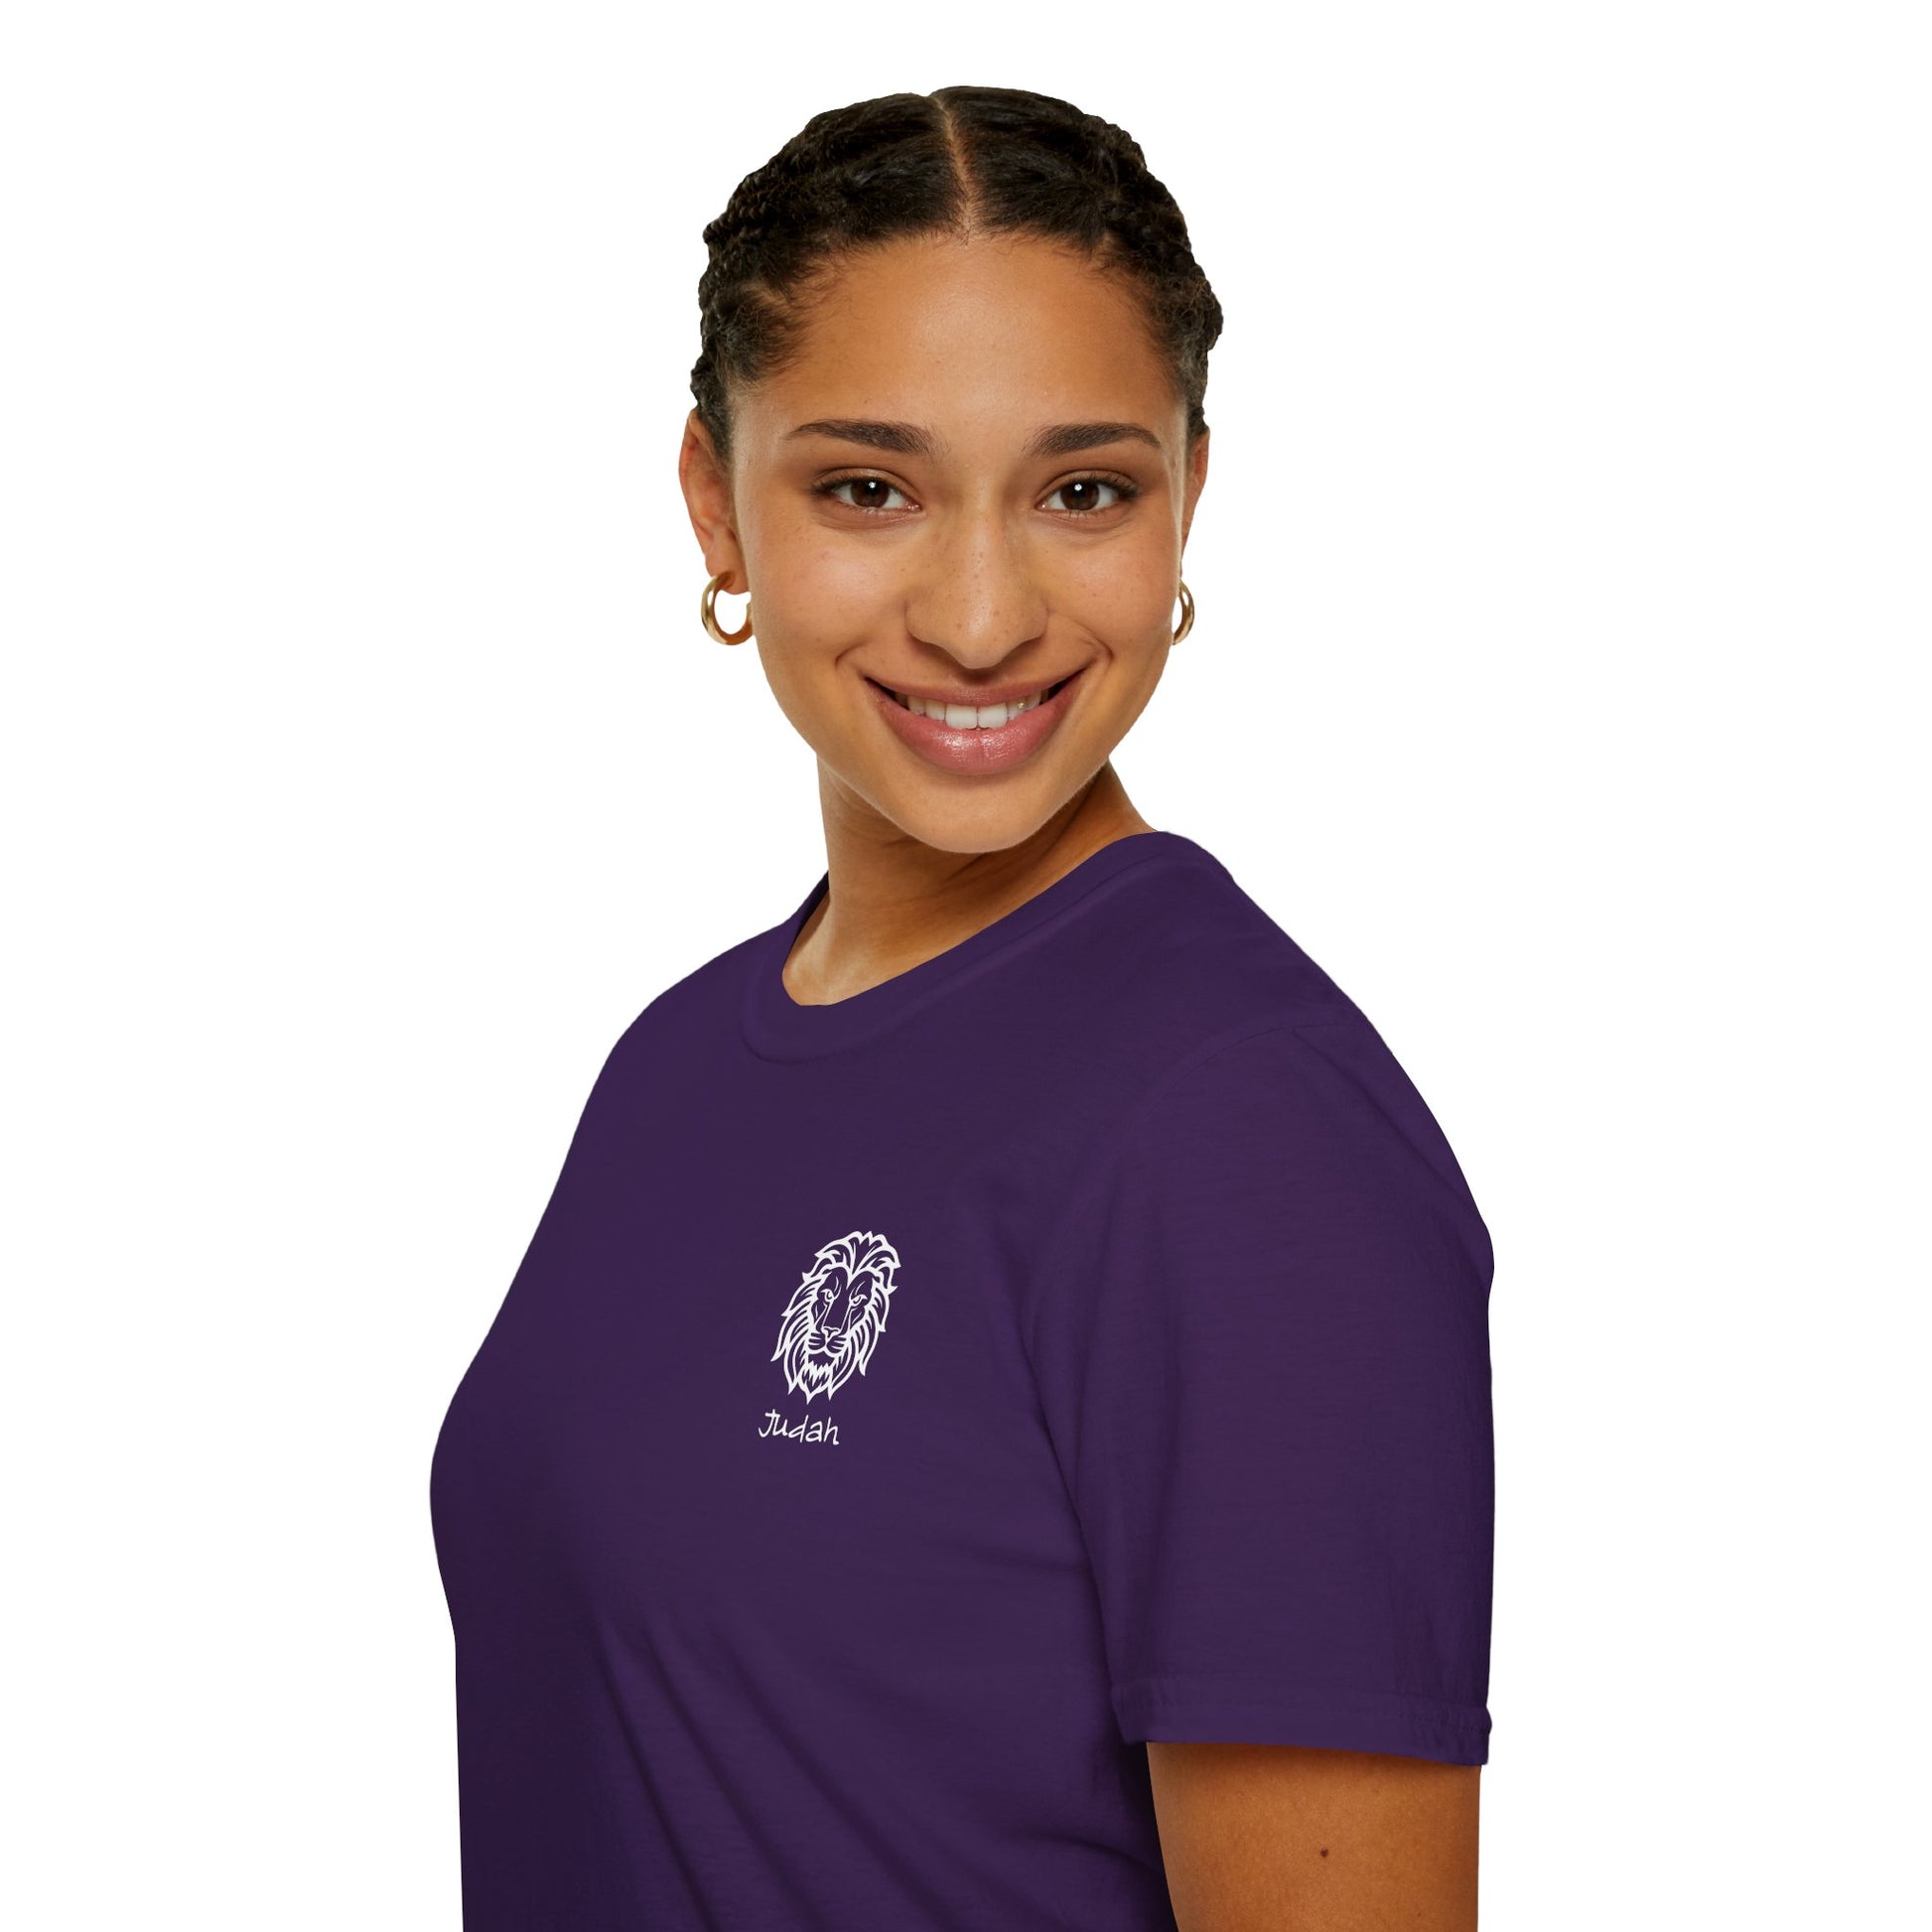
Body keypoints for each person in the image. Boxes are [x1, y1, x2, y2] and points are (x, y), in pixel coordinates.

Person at [430, 84, 1494, 1932]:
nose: (983, 615)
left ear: (1188, 498)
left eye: (1084, 491)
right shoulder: (675, 1059)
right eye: (868, 487)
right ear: (715, 500)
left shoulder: (1245, 1132)